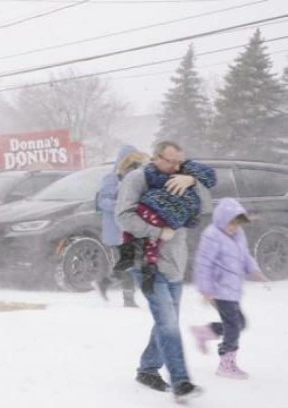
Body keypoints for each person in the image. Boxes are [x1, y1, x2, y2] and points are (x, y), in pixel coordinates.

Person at [115, 140, 212, 402]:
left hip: (175, 264)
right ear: (156, 158)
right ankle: (181, 383)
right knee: (168, 324)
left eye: (179, 162)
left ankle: (147, 369)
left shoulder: (184, 177)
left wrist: (192, 182)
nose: (176, 166)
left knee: (165, 323)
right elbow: (123, 216)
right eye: (170, 161)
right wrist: (158, 231)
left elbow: (205, 207)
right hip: (146, 262)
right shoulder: (137, 179)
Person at [190, 198, 270, 380]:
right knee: (234, 326)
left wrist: (255, 271)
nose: (234, 228)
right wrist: (206, 290)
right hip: (219, 290)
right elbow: (203, 264)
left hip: (232, 289)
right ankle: (226, 363)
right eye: (231, 224)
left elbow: (245, 256)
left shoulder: (238, 234)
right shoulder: (212, 236)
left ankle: (205, 332)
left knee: (240, 323)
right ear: (221, 220)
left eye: (237, 224)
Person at [120, 158, 217, 296]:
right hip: (157, 216)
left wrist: (191, 181)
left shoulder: (190, 179)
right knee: (148, 243)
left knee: (151, 246)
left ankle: (140, 267)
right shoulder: (145, 176)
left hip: (165, 223)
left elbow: (204, 206)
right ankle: (136, 266)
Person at [95, 146, 149, 307]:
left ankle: (105, 282)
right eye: (131, 161)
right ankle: (128, 299)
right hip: (116, 229)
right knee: (129, 263)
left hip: (131, 227)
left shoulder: (136, 178)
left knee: (130, 262)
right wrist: (122, 205)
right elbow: (103, 201)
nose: (135, 165)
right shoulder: (111, 179)